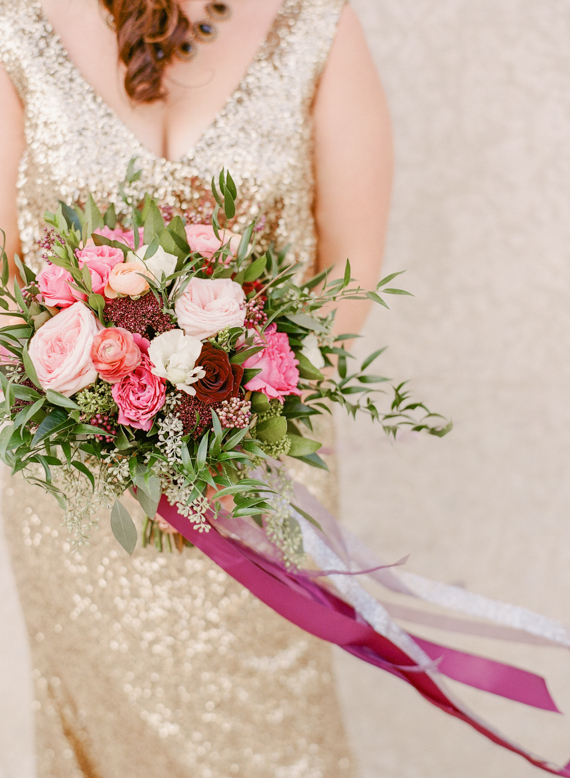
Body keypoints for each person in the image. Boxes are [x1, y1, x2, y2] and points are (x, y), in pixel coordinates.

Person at [0, 0, 393, 776]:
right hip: (81, 485)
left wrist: (232, 423)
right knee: (103, 723)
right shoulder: (19, 21)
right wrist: (107, 416)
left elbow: (348, 277)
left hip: (260, 472)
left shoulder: (314, 21)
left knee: (274, 728)